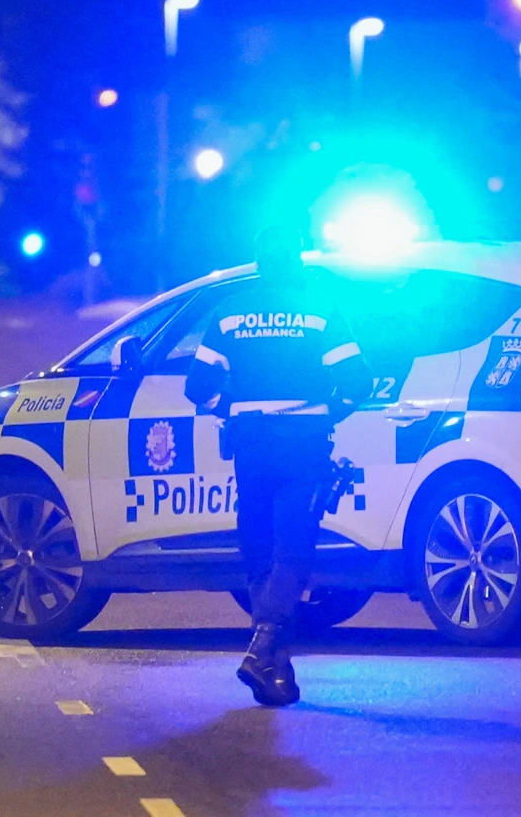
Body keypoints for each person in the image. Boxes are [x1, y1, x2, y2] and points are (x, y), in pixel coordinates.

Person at [185, 226, 369, 706]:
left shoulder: (228, 314)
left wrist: (232, 408)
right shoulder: (320, 312)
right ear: (298, 262)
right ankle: (264, 643)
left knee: (259, 548)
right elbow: (356, 383)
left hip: (250, 445)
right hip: (303, 443)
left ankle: (276, 673)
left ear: (258, 263)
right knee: (294, 549)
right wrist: (326, 411)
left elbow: (197, 388)